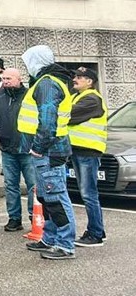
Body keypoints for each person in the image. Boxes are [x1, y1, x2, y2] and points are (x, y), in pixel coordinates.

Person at [18, 45, 77, 260]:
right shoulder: (48, 82)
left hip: (48, 151)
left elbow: (47, 120)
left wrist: (37, 148)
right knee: (46, 196)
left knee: (55, 197)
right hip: (49, 151)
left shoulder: (47, 84)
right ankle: (51, 238)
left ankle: (65, 243)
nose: (27, 67)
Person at [0, 67, 34, 232]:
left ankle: (35, 216)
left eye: (9, 79)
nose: (5, 81)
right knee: (11, 185)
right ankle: (14, 218)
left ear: (19, 79)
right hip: (7, 148)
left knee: (33, 185)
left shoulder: (30, 96)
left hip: (28, 148)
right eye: (4, 79)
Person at [69, 66, 107, 247]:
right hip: (79, 150)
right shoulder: (77, 96)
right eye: (75, 76)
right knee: (88, 193)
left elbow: (67, 115)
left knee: (88, 193)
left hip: (88, 151)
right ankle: (98, 229)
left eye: (80, 77)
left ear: (89, 82)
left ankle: (95, 234)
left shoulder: (91, 99)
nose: (75, 79)